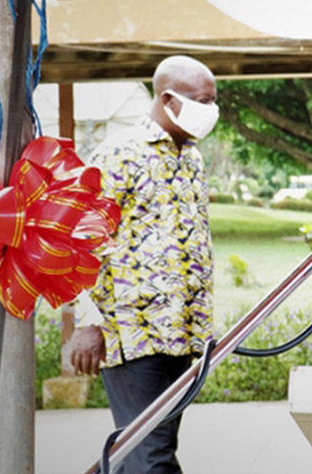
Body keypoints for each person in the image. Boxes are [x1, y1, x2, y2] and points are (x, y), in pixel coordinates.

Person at [70, 55, 218, 473]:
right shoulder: (120, 152)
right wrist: (86, 321)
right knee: (150, 456)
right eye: (203, 100)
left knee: (145, 447)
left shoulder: (190, 155)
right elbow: (83, 238)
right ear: (169, 100)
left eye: (214, 100)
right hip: (134, 332)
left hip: (183, 330)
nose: (212, 111)